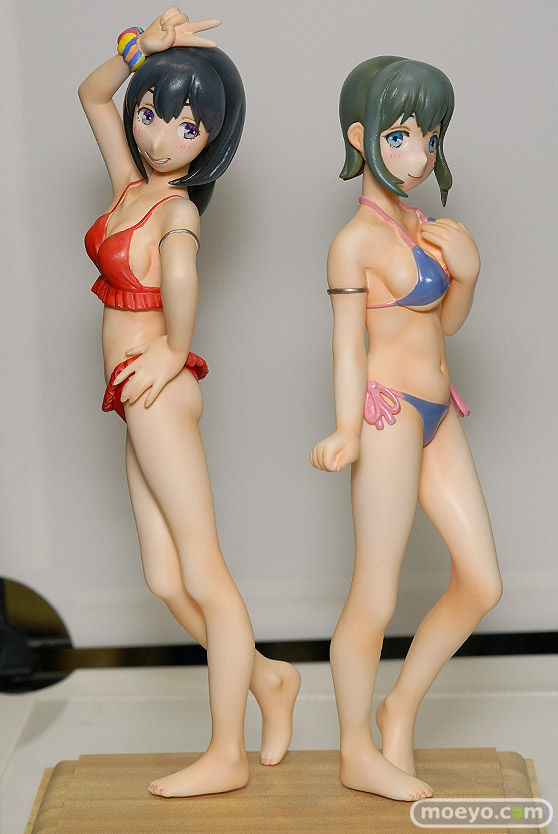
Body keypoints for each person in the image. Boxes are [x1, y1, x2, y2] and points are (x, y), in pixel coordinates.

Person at [80, 7, 300, 798]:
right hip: (130, 393)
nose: (162, 136)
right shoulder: (131, 188)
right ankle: (269, 677)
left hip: (157, 393)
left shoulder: (176, 211)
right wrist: (143, 47)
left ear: (212, 139)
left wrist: (174, 348)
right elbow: (93, 95)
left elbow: (181, 278)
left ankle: (227, 751)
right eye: (153, 114)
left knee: (203, 572)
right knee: (164, 578)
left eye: (186, 127)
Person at [310, 56, 502, 801]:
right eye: (399, 136)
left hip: (440, 412)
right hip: (387, 415)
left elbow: (444, 324)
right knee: (375, 595)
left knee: (481, 584)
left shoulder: (424, 225)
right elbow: (346, 346)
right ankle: (356, 750)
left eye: (430, 137)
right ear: (360, 137)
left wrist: (470, 275)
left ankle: (399, 707)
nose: (419, 155)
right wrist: (345, 428)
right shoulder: (352, 243)